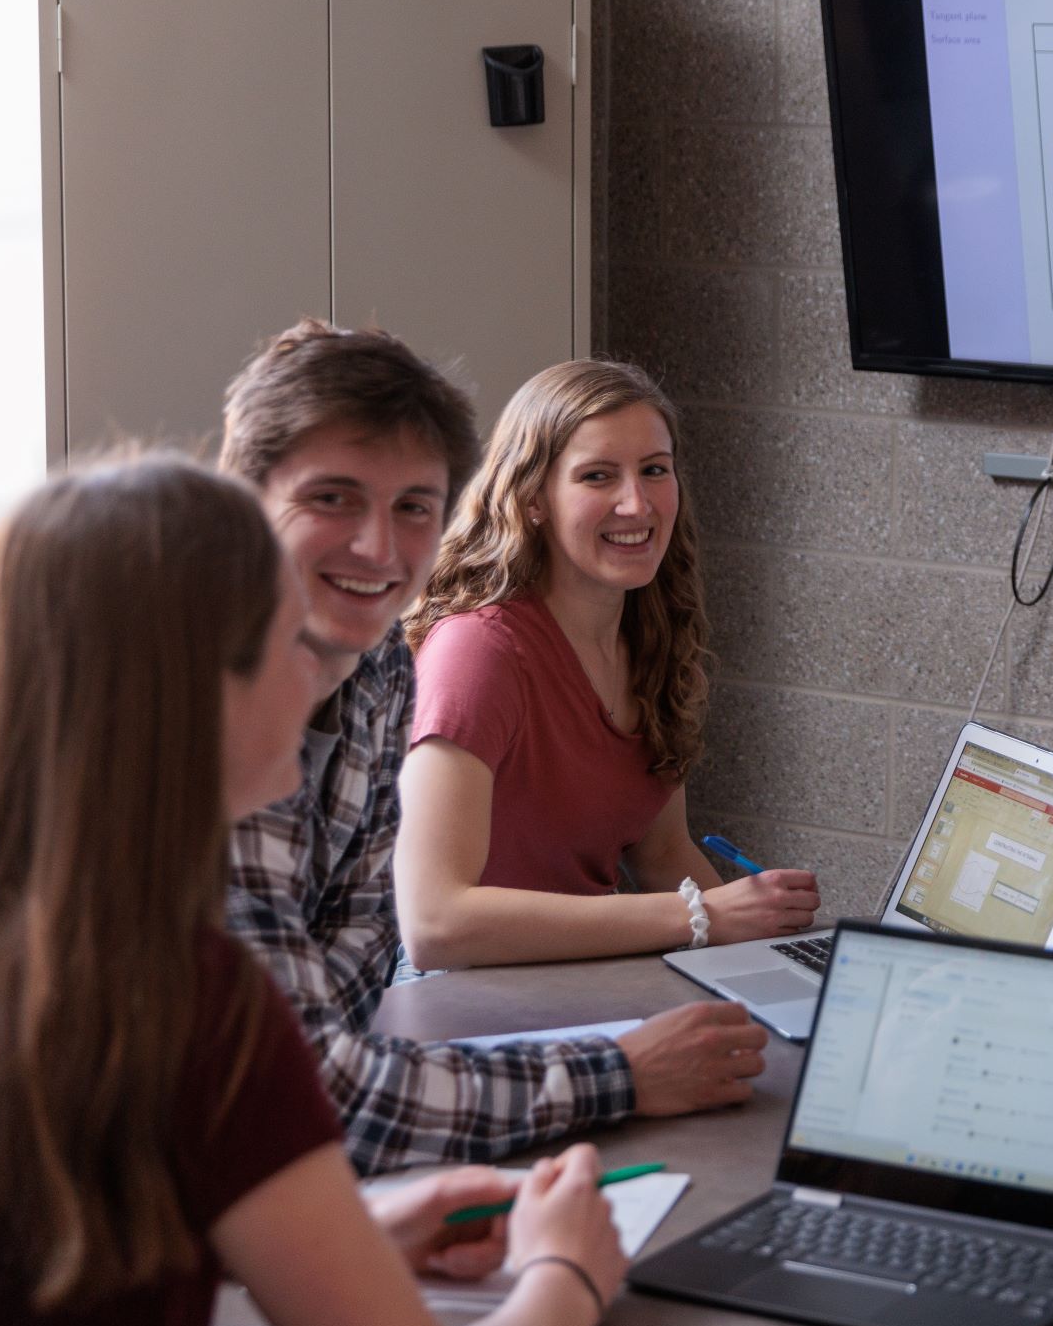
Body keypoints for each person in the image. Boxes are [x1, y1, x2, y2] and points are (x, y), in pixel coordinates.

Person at [0, 454, 625, 1326]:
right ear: (193, 692)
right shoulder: (192, 1003)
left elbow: (0, 1247)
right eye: (291, 642)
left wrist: (316, 1237)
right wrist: (566, 1266)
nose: (318, 674)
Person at [221, 321, 770, 1175]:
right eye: (332, 498)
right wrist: (621, 1066)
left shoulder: (372, 684)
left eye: (413, 507)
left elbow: (325, 1064)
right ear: (528, 498)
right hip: (456, 1020)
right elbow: (411, 955)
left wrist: (771, 954)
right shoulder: (233, 720)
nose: (379, 548)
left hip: (506, 1030)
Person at [397, 358, 819, 970]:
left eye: (655, 471)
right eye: (598, 477)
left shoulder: (654, 642)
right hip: (456, 996)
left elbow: (662, 853)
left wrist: (771, 946)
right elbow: (435, 925)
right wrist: (705, 917)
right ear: (533, 499)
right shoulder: (479, 650)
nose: (636, 504)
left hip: (580, 980)